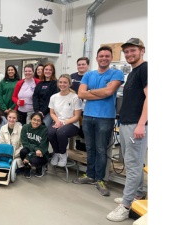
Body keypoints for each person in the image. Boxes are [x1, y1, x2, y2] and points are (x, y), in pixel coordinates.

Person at [73, 46, 124, 197]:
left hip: (105, 117)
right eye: (101, 56)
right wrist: (101, 93)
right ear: (96, 58)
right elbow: (80, 93)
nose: (103, 58)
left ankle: (100, 179)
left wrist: (90, 92)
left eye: (107, 56)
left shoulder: (117, 73)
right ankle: (90, 175)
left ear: (111, 58)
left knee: (101, 149)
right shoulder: (89, 74)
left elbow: (109, 92)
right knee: (90, 147)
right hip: (88, 116)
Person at [106, 38, 148, 222]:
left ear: (142, 50)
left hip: (136, 125)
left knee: (133, 165)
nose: (129, 54)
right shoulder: (133, 73)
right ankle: (137, 194)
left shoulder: (146, 69)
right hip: (126, 123)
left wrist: (141, 124)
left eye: (133, 51)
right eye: (127, 52)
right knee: (133, 163)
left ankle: (125, 205)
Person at [48, 74, 83, 167]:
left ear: (69, 84)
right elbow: (52, 113)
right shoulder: (54, 97)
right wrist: (58, 121)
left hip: (72, 123)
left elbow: (77, 116)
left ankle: (63, 154)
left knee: (61, 133)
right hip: (57, 122)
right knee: (50, 133)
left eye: (65, 82)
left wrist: (63, 123)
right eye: (60, 82)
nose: (62, 84)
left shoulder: (75, 97)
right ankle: (56, 152)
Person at [20, 112, 50, 178]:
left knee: (33, 160)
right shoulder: (25, 127)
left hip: (42, 154)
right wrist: (35, 149)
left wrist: (28, 156)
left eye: (38, 120)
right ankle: (27, 167)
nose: (36, 122)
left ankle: (40, 166)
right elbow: (24, 143)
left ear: (41, 121)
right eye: (34, 119)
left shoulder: (44, 130)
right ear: (30, 119)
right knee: (23, 151)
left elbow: (43, 148)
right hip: (35, 150)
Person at [70, 57, 90, 151]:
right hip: (73, 108)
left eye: (83, 64)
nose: (81, 66)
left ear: (88, 65)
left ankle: (84, 151)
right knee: (76, 130)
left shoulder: (91, 76)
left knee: (84, 130)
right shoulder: (72, 77)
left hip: (86, 109)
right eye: (79, 64)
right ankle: (77, 149)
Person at [33, 62, 59, 128]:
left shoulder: (55, 84)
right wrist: (37, 111)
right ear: (43, 71)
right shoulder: (40, 83)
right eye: (46, 69)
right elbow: (35, 97)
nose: (48, 71)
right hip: (38, 111)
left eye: (50, 70)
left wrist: (43, 112)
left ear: (53, 72)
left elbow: (50, 100)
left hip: (49, 111)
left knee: (44, 127)